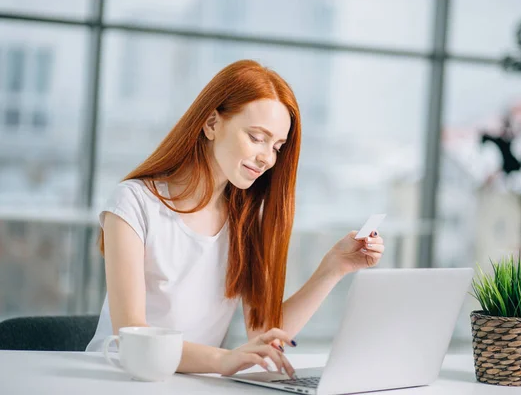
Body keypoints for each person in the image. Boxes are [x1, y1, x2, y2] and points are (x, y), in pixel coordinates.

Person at [85, 60, 385, 378]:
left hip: (192, 382)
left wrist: (332, 268)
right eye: (257, 138)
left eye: (277, 147)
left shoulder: (244, 222)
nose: (267, 158)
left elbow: (264, 333)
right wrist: (222, 360)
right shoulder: (133, 202)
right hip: (118, 378)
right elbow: (132, 335)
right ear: (212, 124)